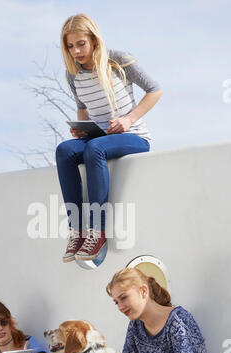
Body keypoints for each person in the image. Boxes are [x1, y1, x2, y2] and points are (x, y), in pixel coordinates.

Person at [56, 14, 162, 262]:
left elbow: (155, 90)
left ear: (94, 39)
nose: (76, 51)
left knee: (95, 148)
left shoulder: (119, 60)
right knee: (64, 150)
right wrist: (81, 128)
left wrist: (128, 119)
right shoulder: (73, 74)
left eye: (81, 43)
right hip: (99, 138)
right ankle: (78, 230)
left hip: (133, 137)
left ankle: (97, 231)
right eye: (70, 46)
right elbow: (82, 107)